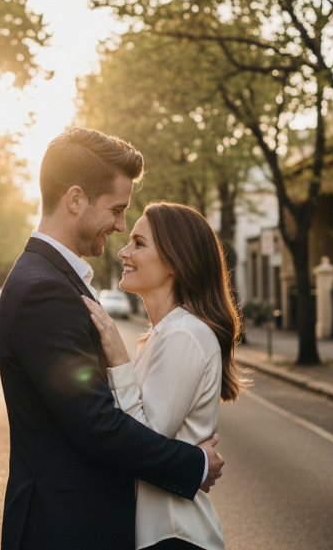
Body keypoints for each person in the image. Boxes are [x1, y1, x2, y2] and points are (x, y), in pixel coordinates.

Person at [0, 129, 224, 550]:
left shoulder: (55, 281)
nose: (119, 227)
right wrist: (194, 464)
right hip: (65, 531)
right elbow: (97, 425)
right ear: (76, 199)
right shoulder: (43, 290)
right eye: (117, 210)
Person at [81, 201, 247, 550]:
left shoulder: (184, 335)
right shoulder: (162, 334)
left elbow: (144, 442)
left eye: (139, 243)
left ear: (175, 261)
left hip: (175, 536)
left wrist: (118, 360)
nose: (124, 251)